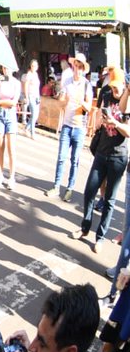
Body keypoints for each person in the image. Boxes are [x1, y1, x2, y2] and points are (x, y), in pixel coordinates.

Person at [78, 67, 130, 254]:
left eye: (117, 87)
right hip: (101, 152)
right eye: (112, 86)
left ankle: (100, 237)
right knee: (89, 191)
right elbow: (99, 116)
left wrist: (115, 123)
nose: (114, 90)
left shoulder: (128, 102)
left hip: (118, 157)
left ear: (124, 85)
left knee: (109, 200)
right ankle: (85, 227)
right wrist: (100, 120)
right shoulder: (107, 95)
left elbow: (128, 132)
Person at [47, 53, 93, 201]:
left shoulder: (86, 85)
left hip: (79, 128)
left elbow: (89, 107)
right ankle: (56, 186)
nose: (77, 70)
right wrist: (64, 100)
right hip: (67, 126)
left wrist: (81, 102)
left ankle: (70, 188)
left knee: (75, 160)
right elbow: (60, 103)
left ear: (83, 69)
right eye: (75, 66)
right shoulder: (67, 82)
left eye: (80, 67)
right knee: (61, 157)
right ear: (73, 67)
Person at [0, 64, 21, 189]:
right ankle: (0, 175)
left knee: (11, 148)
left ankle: (12, 177)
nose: (6, 70)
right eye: (4, 68)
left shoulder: (16, 83)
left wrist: (3, 102)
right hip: (0, 114)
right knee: (0, 146)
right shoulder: (0, 81)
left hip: (10, 116)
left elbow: (14, 102)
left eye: (8, 67)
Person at [22, 58, 41, 139]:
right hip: (30, 95)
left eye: (35, 66)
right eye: (32, 66)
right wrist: (26, 97)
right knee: (34, 113)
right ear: (30, 66)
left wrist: (38, 96)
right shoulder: (29, 74)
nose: (34, 67)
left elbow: (37, 87)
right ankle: (32, 133)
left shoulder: (36, 74)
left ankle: (26, 128)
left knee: (36, 115)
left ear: (37, 67)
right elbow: (26, 86)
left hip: (36, 96)